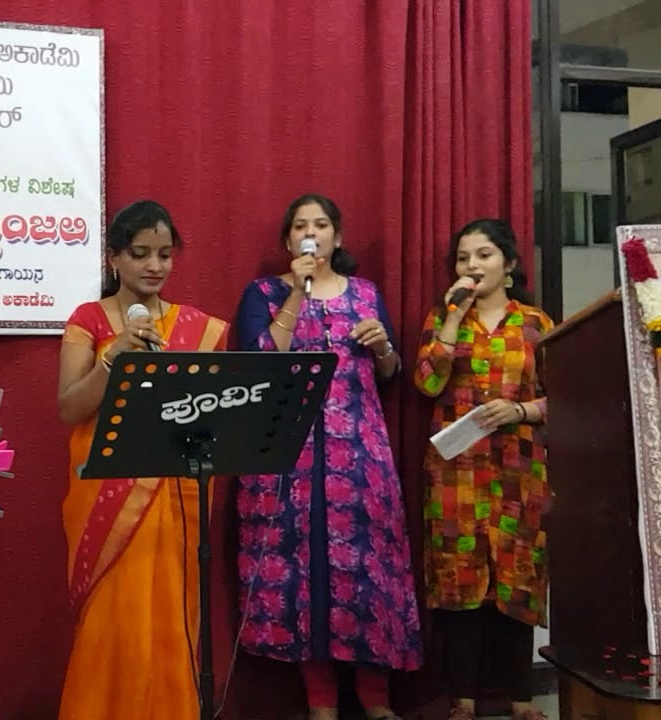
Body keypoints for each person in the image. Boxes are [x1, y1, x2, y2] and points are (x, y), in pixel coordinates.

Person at [232, 193, 422, 720]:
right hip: (285, 455)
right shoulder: (264, 293)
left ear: (338, 238)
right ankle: (321, 704)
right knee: (302, 572)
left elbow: (389, 373)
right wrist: (296, 291)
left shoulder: (365, 293)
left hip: (358, 453)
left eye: (321, 225)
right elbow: (260, 362)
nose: (310, 233)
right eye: (299, 225)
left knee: (366, 570)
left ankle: (376, 701)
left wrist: (384, 346)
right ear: (288, 241)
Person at [56, 200, 230, 720]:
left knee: (172, 616)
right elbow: (69, 407)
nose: (154, 266)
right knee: (119, 616)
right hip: (107, 492)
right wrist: (116, 358)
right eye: (139, 254)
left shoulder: (198, 330)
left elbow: (213, 411)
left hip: (178, 492)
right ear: (113, 259)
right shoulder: (89, 320)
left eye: (163, 254)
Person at [412, 219, 553, 720]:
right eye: (464, 257)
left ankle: (520, 699)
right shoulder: (442, 319)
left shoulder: (535, 324)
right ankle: (463, 700)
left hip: (519, 469)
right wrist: (453, 316)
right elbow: (427, 383)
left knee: (517, 577)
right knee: (459, 584)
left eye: (485, 255)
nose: (473, 266)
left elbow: (564, 397)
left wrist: (519, 411)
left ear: (509, 265)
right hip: (457, 473)